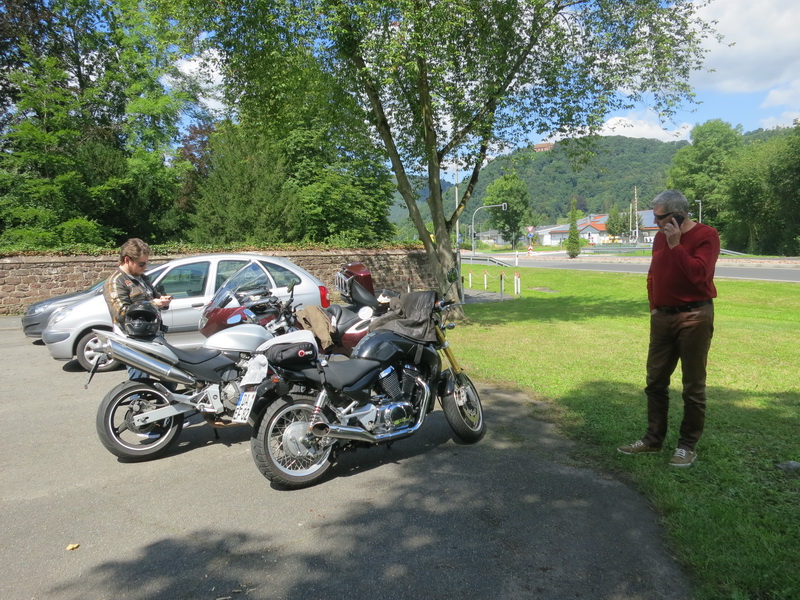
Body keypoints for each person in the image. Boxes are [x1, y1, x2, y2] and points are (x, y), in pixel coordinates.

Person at [617, 190, 720, 467]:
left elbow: (700, 275)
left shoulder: (706, 235)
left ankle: (687, 446)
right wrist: (654, 305)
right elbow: (654, 274)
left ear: (677, 215)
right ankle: (653, 440)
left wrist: (677, 245)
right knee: (655, 382)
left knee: (693, 387)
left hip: (694, 316)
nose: (655, 220)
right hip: (662, 317)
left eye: (659, 216)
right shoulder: (660, 237)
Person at [103, 238, 172, 379]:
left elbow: (154, 296)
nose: (145, 267)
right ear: (127, 259)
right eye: (141, 264)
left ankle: (164, 400)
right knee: (140, 380)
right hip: (133, 339)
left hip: (153, 335)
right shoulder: (116, 281)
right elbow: (121, 313)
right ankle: (137, 401)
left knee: (169, 375)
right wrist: (153, 304)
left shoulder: (142, 277)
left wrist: (163, 301)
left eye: (146, 263)